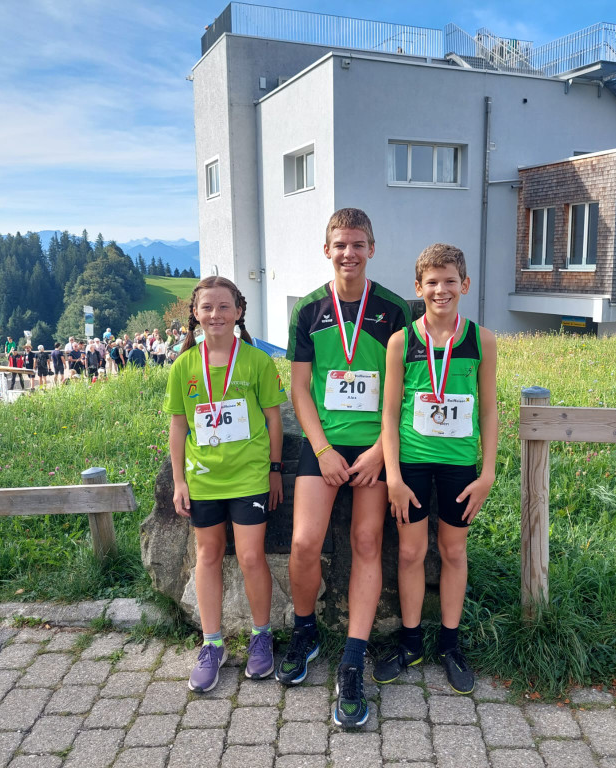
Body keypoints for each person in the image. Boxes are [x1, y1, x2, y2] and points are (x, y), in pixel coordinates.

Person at [276, 208, 411, 728]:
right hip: (326, 446)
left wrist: (379, 451)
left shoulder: (394, 309)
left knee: (367, 541)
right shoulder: (308, 310)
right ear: (326, 250)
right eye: (340, 244)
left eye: (358, 244)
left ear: (372, 249)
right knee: (304, 543)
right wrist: (322, 449)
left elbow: (405, 390)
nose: (348, 253)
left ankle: (353, 658)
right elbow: (299, 389)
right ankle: (305, 632)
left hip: (375, 447)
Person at [375, 243, 498, 695]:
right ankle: (411, 643)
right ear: (418, 287)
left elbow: (490, 410)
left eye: (450, 281)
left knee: (453, 552)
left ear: (465, 284)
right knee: (410, 553)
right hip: (411, 461)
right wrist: (392, 476)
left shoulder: (482, 340)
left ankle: (450, 644)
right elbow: (389, 414)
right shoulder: (401, 342)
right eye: (432, 282)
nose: (440, 289)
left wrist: (487, 473)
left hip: (459, 465)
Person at [165, 276, 287, 692]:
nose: (215, 314)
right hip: (203, 479)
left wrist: (274, 469)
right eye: (207, 307)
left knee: (251, 557)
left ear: (238, 311)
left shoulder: (257, 361)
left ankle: (261, 636)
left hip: (249, 476)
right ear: (195, 314)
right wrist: (179, 481)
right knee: (208, 555)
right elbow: (178, 427)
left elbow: (273, 419)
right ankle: (212, 644)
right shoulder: (184, 366)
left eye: (223, 306)